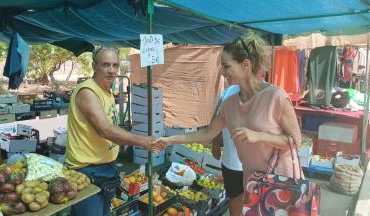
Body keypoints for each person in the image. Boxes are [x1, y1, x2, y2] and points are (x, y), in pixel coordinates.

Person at [155, 33, 302, 215]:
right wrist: (170, 140)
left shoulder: (276, 97)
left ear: (246, 64)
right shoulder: (230, 103)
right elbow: (208, 133)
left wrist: (259, 136)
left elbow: (296, 141)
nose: (223, 73)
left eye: (226, 66)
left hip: (280, 181)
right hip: (252, 181)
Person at [67, 47, 159, 216]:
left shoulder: (106, 91)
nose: (111, 70)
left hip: (105, 168)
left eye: (115, 65)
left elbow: (110, 125)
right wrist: (144, 141)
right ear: (94, 66)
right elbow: (105, 129)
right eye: (106, 65)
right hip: (87, 171)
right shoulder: (88, 91)